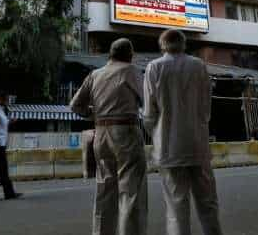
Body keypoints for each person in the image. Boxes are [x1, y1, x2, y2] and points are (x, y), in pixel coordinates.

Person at [144, 29, 223, 235]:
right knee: (208, 203)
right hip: (198, 144)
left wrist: (157, 132)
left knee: (176, 207)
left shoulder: (154, 67)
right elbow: (206, 109)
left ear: (163, 45)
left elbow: (149, 114)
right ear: (184, 44)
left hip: (169, 148)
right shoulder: (199, 66)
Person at [70, 38, 148, 235]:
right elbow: (147, 102)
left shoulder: (95, 74)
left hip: (101, 135)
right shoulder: (131, 71)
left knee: (104, 191)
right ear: (130, 55)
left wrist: (95, 114)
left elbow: (75, 105)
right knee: (131, 193)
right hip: (126, 133)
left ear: (111, 54)